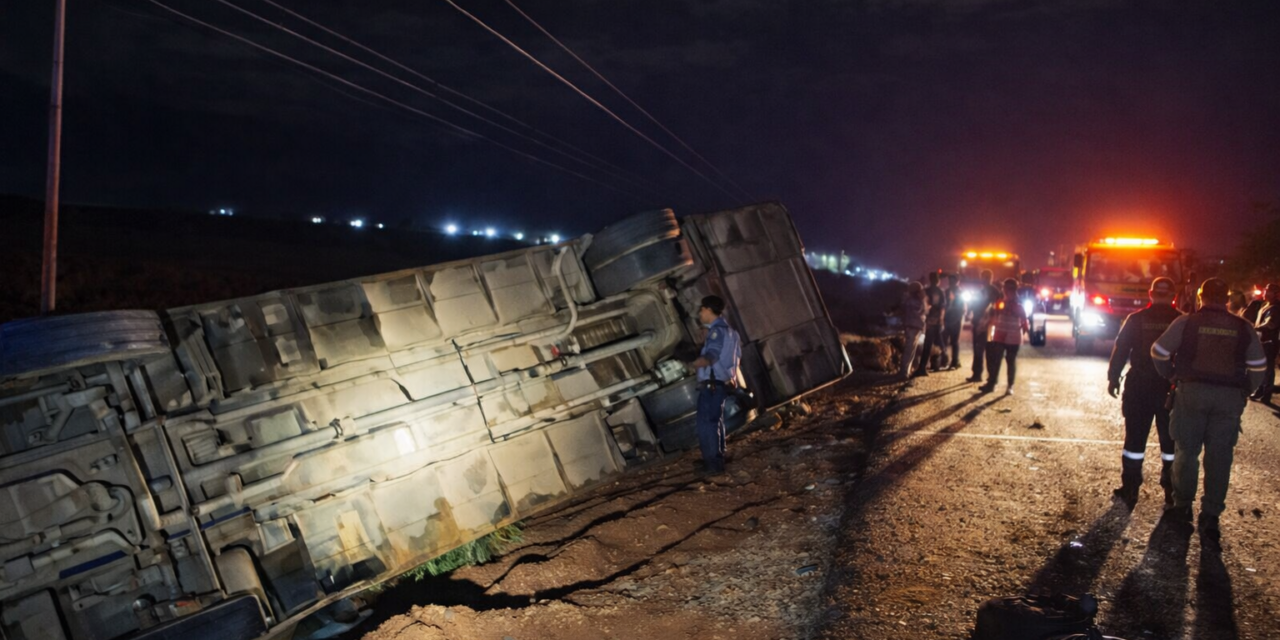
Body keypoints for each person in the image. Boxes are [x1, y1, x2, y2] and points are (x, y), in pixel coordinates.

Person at [1151, 278, 1267, 544]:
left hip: (1191, 393)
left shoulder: (1186, 323)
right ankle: (1211, 515)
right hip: (1228, 398)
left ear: (1201, 297)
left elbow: (1158, 351)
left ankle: (1182, 508)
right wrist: (1245, 390)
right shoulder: (1243, 327)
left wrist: (1171, 374)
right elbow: (1259, 366)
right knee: (1220, 457)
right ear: (1226, 299)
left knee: (1186, 452)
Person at [1106, 277, 1183, 507]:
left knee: (1134, 441)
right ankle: (1171, 492)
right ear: (1174, 296)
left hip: (1139, 385)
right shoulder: (1181, 321)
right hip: (1169, 388)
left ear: (1150, 294)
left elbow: (1121, 350)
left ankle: (1130, 488)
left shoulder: (1136, 319)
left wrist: (1113, 377)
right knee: (1171, 444)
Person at [686, 295, 742, 475]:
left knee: (707, 424)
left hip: (712, 384)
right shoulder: (731, 331)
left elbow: (712, 356)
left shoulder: (717, 331)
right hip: (721, 383)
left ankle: (712, 465)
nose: (700, 313)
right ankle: (717, 459)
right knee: (716, 422)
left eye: (702, 309)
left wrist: (692, 362)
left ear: (709, 310)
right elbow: (735, 358)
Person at [979, 278, 1028, 395]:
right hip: (1000, 334)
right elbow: (993, 315)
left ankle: (1010, 386)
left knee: (1010, 361)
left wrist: (1023, 329)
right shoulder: (1000, 302)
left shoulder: (1019, 304)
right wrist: (986, 324)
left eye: (1008, 288)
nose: (1005, 290)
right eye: (1005, 288)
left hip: (1013, 336)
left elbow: (1024, 321)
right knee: (996, 360)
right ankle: (992, 384)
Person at [967, 270, 1002, 383]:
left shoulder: (995, 292)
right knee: (978, 350)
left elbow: (998, 308)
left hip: (989, 325)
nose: (985, 279)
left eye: (987, 277)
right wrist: (971, 315)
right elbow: (973, 305)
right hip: (978, 323)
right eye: (983, 277)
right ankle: (977, 374)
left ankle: (991, 376)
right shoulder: (980, 291)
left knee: (990, 351)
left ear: (991, 278)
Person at [893, 282, 927, 381]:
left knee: (910, 350)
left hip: (911, 326)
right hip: (914, 327)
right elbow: (923, 312)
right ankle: (903, 372)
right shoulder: (917, 302)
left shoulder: (908, 301)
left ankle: (905, 372)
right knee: (909, 350)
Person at [1253, 283, 1279, 404]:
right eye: (1265, 291)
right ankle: (1260, 390)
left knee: (1268, 368)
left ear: (1275, 294)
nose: (1265, 293)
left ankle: (1266, 393)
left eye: (1268, 291)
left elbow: (1270, 324)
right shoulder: (1265, 306)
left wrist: (1256, 328)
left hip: (1270, 342)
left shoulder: (1275, 308)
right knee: (1262, 367)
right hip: (1262, 341)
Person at [916, 272, 946, 376]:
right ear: (938, 280)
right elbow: (942, 308)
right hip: (935, 321)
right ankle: (939, 362)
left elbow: (922, 305)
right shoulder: (940, 292)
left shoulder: (926, 291)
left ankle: (923, 367)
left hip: (928, 321)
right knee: (937, 343)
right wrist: (941, 321)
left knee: (928, 345)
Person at [943, 273, 966, 370]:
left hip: (956, 319)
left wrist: (959, 317)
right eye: (950, 280)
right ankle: (944, 360)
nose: (951, 282)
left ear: (957, 282)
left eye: (953, 280)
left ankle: (955, 361)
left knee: (954, 341)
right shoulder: (947, 291)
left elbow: (962, 307)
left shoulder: (960, 292)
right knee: (943, 340)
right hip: (947, 318)